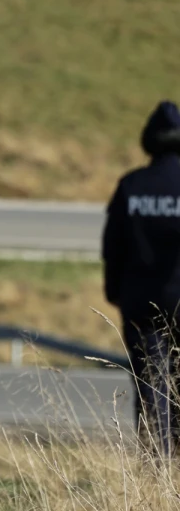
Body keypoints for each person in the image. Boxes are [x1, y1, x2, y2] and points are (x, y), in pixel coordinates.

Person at [103, 100, 180, 454]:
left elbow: (113, 248)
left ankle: (155, 467)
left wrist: (115, 292)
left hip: (141, 308)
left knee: (150, 387)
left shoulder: (131, 187)